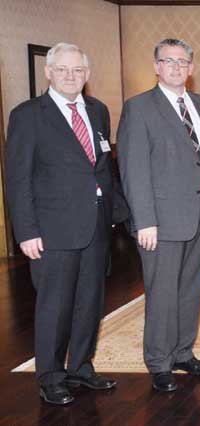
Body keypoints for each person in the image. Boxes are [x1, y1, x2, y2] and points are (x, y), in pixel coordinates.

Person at [5, 42, 127, 405]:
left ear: (87, 75)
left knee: (90, 301)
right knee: (54, 305)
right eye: (63, 70)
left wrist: (118, 214)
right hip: (51, 230)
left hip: (95, 226)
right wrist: (25, 231)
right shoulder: (28, 115)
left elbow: (103, 166)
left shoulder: (98, 110)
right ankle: (51, 376)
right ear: (49, 72)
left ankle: (81, 368)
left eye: (77, 70)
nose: (71, 76)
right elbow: (17, 178)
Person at [117, 38, 200, 392]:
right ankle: (159, 360)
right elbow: (134, 169)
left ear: (191, 68)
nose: (176, 67)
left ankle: (182, 353)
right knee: (162, 292)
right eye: (168, 61)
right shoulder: (140, 107)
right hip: (159, 220)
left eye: (182, 62)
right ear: (156, 66)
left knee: (191, 288)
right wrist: (144, 220)